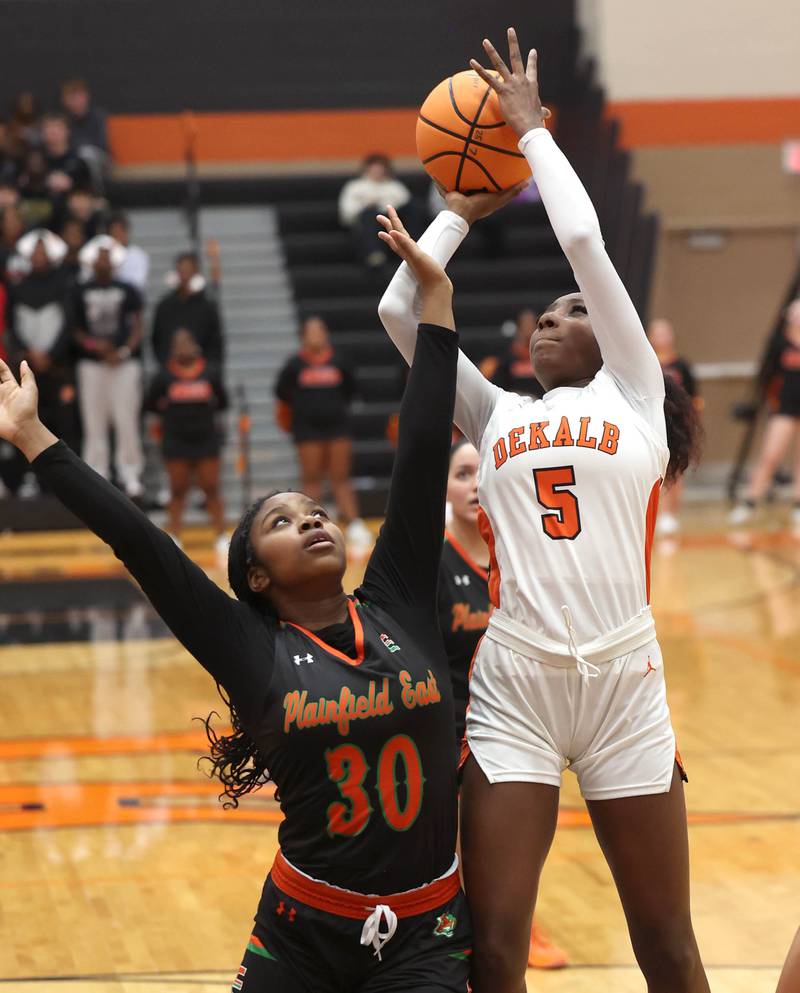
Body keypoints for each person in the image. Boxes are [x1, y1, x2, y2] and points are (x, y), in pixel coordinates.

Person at [0, 227, 474, 993]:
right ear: (255, 575)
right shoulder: (249, 646)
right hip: (302, 934)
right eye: (283, 521)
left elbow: (420, 450)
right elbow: (141, 542)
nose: (313, 520)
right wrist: (33, 437)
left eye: (314, 510)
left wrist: (440, 305)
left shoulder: (400, 600)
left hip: (426, 930)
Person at [378, 28, 705, 993]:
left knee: (668, 943)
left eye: (571, 313)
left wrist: (530, 138)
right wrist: (459, 212)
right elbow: (404, 312)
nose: (548, 320)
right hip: (515, 684)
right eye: (541, 316)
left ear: (608, 339)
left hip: (623, 686)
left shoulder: (633, 395)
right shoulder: (496, 410)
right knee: (495, 949)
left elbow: (582, 239)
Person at [439, 438, 568, 971]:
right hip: (448, 724)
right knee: (455, 843)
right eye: (463, 474)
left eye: (482, 473)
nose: (474, 485)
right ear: (444, 487)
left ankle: (517, 925)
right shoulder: (430, 558)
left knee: (513, 840)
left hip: (518, 718)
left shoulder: (525, 552)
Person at [274, 314, 372, 554]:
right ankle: (307, 522)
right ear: (303, 336)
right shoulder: (294, 365)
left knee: (340, 478)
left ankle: (353, 523)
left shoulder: (340, 361)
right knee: (312, 479)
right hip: (307, 430)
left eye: (319, 330)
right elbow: (282, 393)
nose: (315, 335)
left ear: (325, 334)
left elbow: (351, 390)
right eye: (311, 331)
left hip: (337, 428)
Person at [71, 237, 145, 498]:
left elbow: (138, 325)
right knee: (94, 422)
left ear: (114, 261)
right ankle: (96, 474)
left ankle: (130, 473)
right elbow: (75, 329)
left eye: (107, 256)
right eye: (98, 256)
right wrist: (94, 346)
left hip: (124, 363)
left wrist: (123, 351)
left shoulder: (129, 289)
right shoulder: (80, 290)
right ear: (92, 261)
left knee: (126, 419)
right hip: (92, 365)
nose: (103, 261)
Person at [145, 328, 228, 554]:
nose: (183, 348)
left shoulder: (210, 374)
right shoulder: (163, 377)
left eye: (187, 342)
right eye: (178, 343)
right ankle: (174, 535)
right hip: (176, 439)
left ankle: (221, 535)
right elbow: (151, 404)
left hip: (205, 438)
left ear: (195, 345)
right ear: (172, 349)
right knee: (178, 489)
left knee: (211, 488)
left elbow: (222, 401)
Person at [729, 297, 800, 528]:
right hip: (784, 408)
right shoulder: (779, 343)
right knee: (770, 456)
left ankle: (798, 506)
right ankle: (750, 502)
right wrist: (770, 400)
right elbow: (766, 376)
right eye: (796, 313)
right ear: (788, 316)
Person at [648, 318, 702, 535]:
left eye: (666, 332)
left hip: (676, 425)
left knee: (675, 471)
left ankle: (670, 515)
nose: (662, 337)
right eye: (658, 333)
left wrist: (691, 421)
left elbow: (695, 397)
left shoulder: (682, 366)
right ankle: (656, 514)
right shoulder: (645, 363)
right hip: (650, 423)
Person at [339, 154, 419, 269]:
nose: (377, 171)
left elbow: (406, 206)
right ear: (366, 169)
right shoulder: (355, 187)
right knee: (370, 214)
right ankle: (374, 255)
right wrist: (367, 205)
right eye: (374, 168)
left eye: (380, 168)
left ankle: (415, 248)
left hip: (394, 225)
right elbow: (346, 214)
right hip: (367, 227)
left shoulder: (396, 187)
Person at [151, 251, 224, 366]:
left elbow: (215, 343)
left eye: (188, 271)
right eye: (181, 271)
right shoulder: (165, 306)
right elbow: (157, 340)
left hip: (202, 373)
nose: (184, 276)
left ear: (196, 273)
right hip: (172, 373)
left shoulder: (207, 307)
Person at [481, 308, 544, 397]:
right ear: (518, 328)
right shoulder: (505, 358)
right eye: (525, 325)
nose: (528, 329)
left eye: (531, 325)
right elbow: (498, 386)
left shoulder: (544, 356)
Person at [108, 212, 150, 294]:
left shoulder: (139, 255)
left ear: (126, 232)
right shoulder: (104, 254)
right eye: (114, 233)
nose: (117, 236)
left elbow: (138, 283)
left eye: (120, 232)